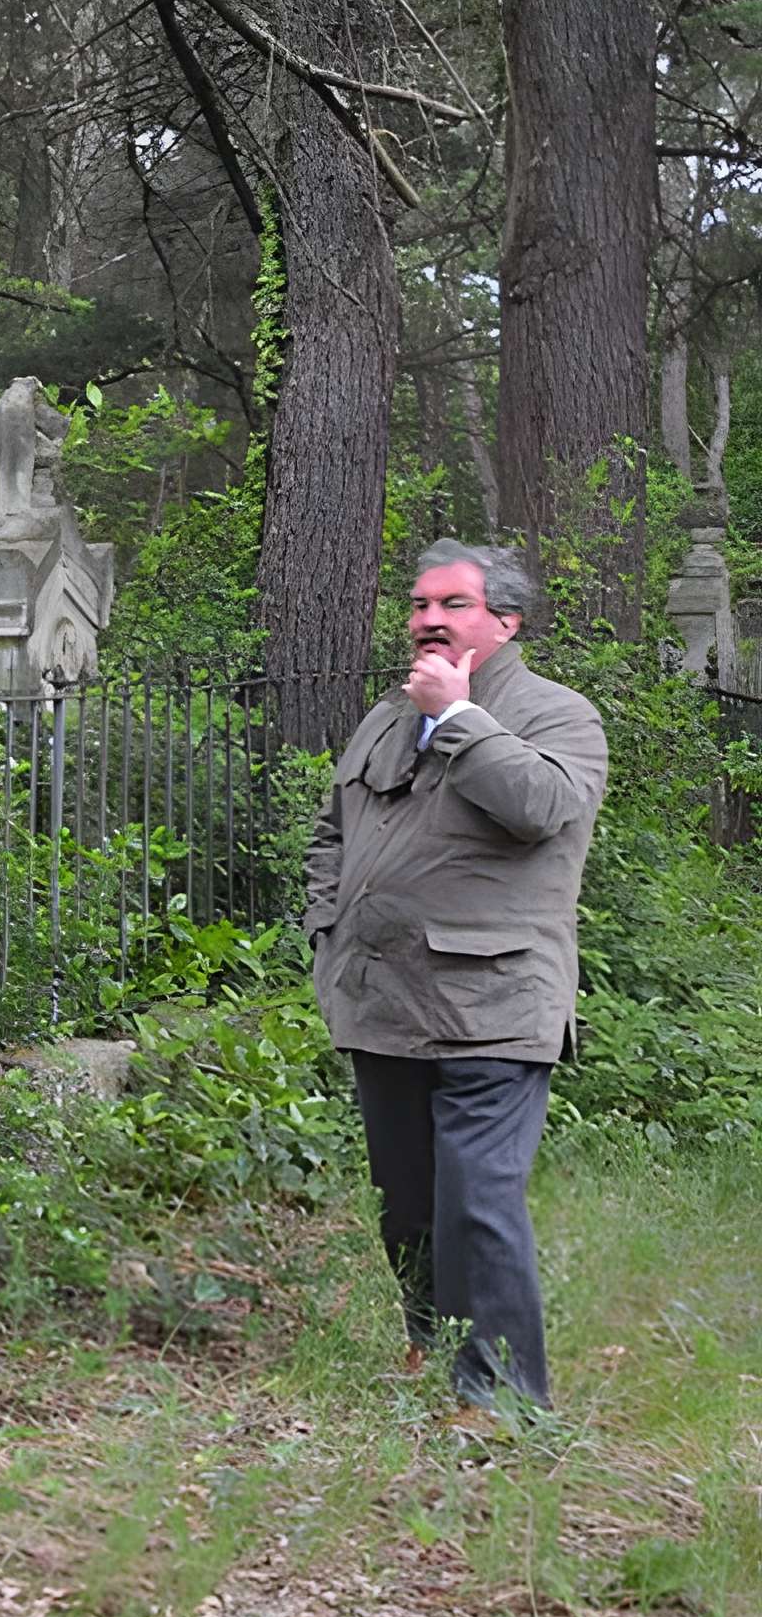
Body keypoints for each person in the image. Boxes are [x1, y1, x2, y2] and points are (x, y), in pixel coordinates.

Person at [303, 541, 607, 1423]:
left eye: (455, 605)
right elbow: (334, 834)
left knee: (478, 1202)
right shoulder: (384, 717)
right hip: (384, 1001)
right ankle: (433, 1349)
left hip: (493, 1006)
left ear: (505, 623)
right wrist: (328, 927)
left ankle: (506, 1401)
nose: (429, 620)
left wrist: (461, 719)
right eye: (420, 604)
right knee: (409, 1207)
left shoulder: (557, 714)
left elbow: (544, 809)